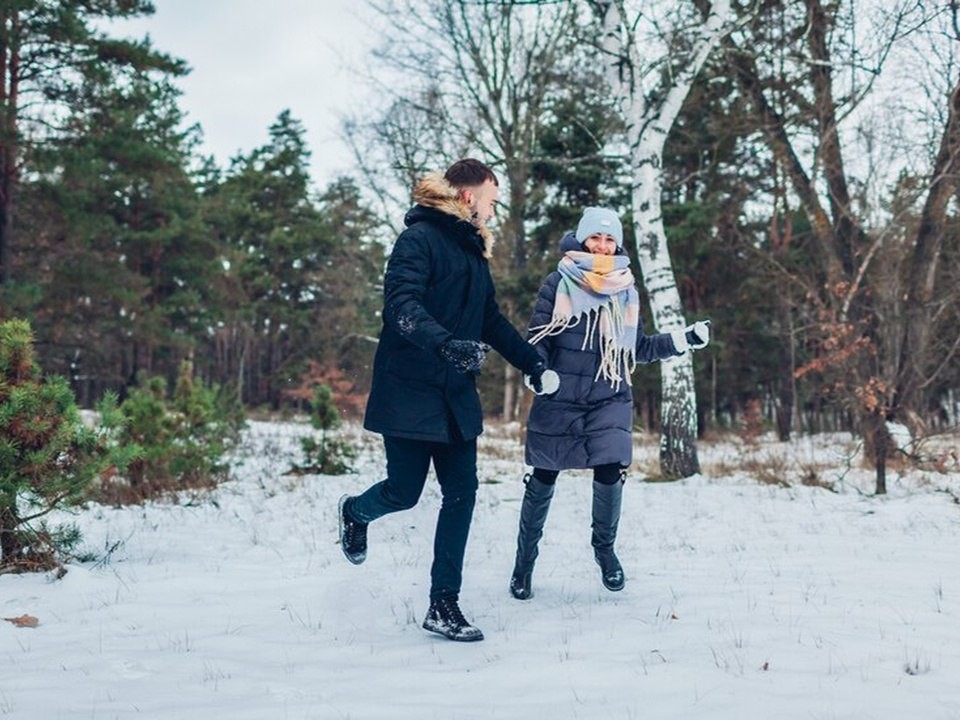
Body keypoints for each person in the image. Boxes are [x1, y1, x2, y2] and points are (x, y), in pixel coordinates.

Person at [338, 159, 548, 642]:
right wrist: (444, 343)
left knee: (462, 494)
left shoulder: (474, 254)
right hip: (409, 390)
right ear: (469, 196)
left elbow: (489, 319)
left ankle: (443, 603)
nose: (494, 212)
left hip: (455, 396)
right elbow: (401, 308)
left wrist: (532, 362)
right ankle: (355, 512)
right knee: (403, 492)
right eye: (492, 201)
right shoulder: (418, 240)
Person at [510, 207, 710, 600]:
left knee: (610, 468)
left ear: (617, 244)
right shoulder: (558, 281)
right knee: (544, 476)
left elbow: (638, 348)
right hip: (559, 394)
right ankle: (523, 565)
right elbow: (538, 338)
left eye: (609, 239)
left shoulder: (626, 289)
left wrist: (683, 339)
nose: (602, 246)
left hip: (608, 395)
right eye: (595, 238)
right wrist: (538, 373)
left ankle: (605, 551)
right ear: (582, 240)